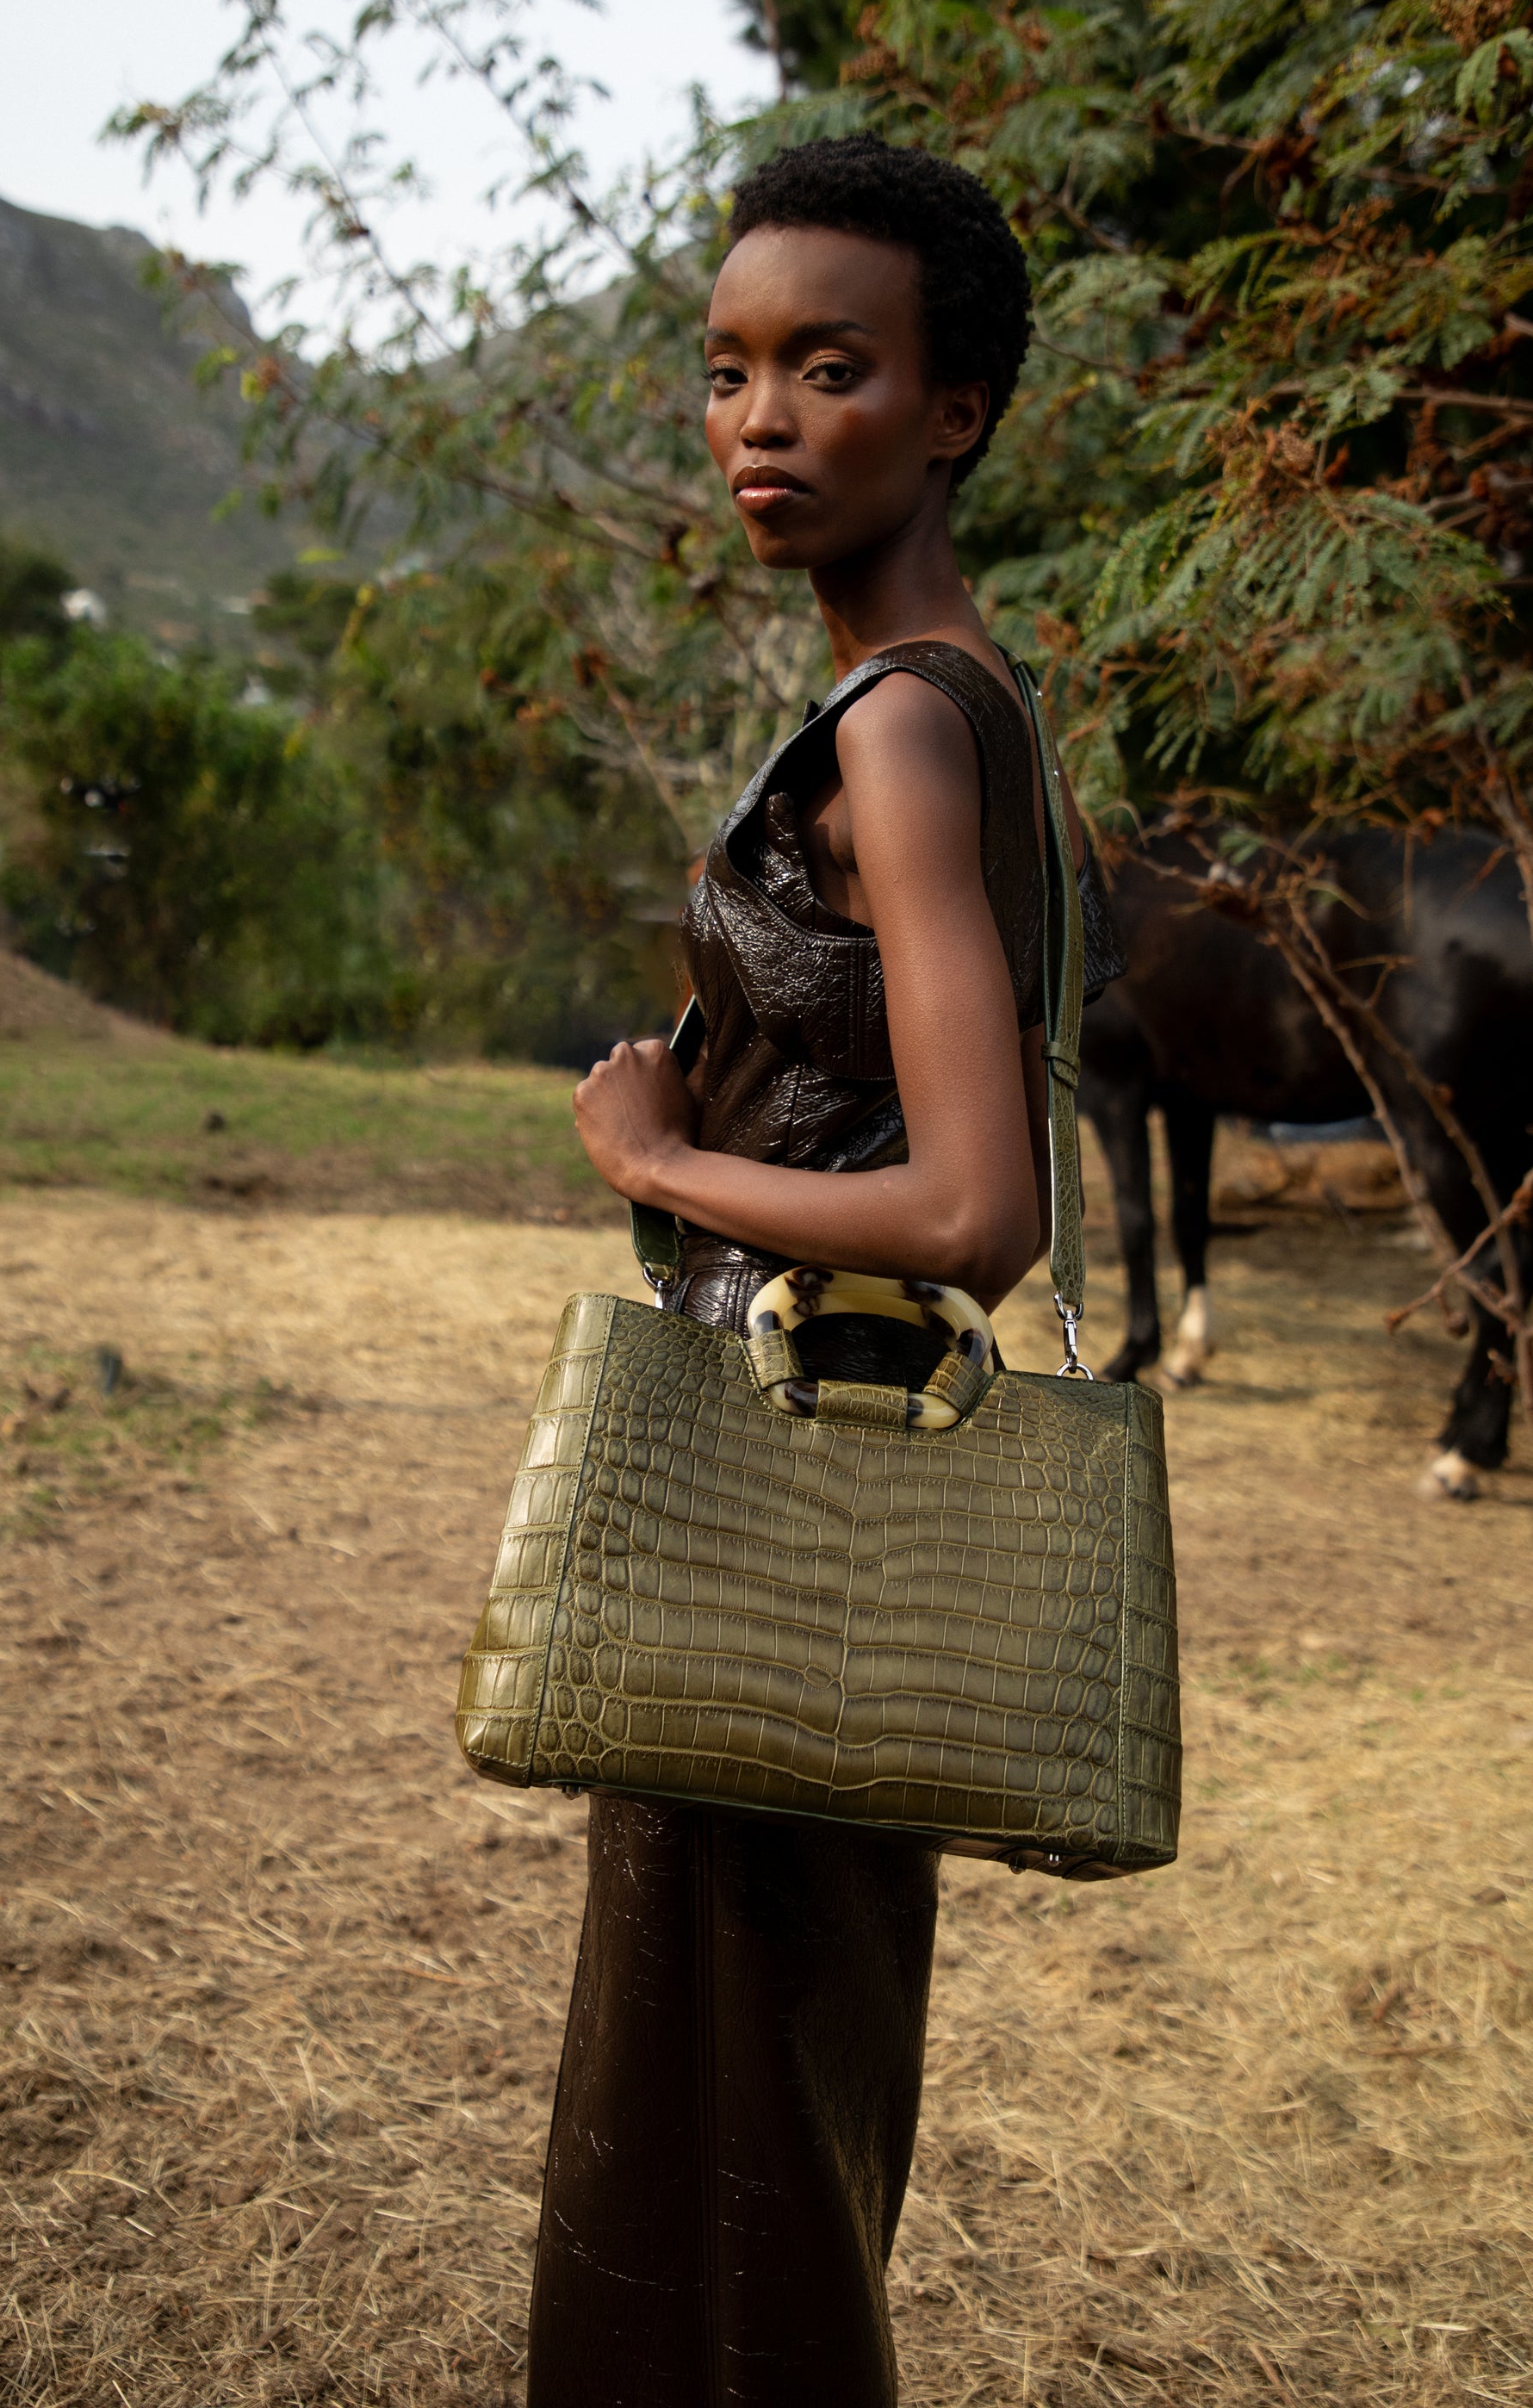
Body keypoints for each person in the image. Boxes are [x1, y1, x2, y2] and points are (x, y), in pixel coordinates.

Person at [526, 133, 1125, 2408]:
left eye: (831, 368)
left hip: (794, 1503)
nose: (763, 417)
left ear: (954, 407)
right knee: (752, 2100)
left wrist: (656, 1150)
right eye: (727, 371)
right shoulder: (941, 701)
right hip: (797, 1494)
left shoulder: (902, 729)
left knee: (738, 2107)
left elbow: (982, 1211)